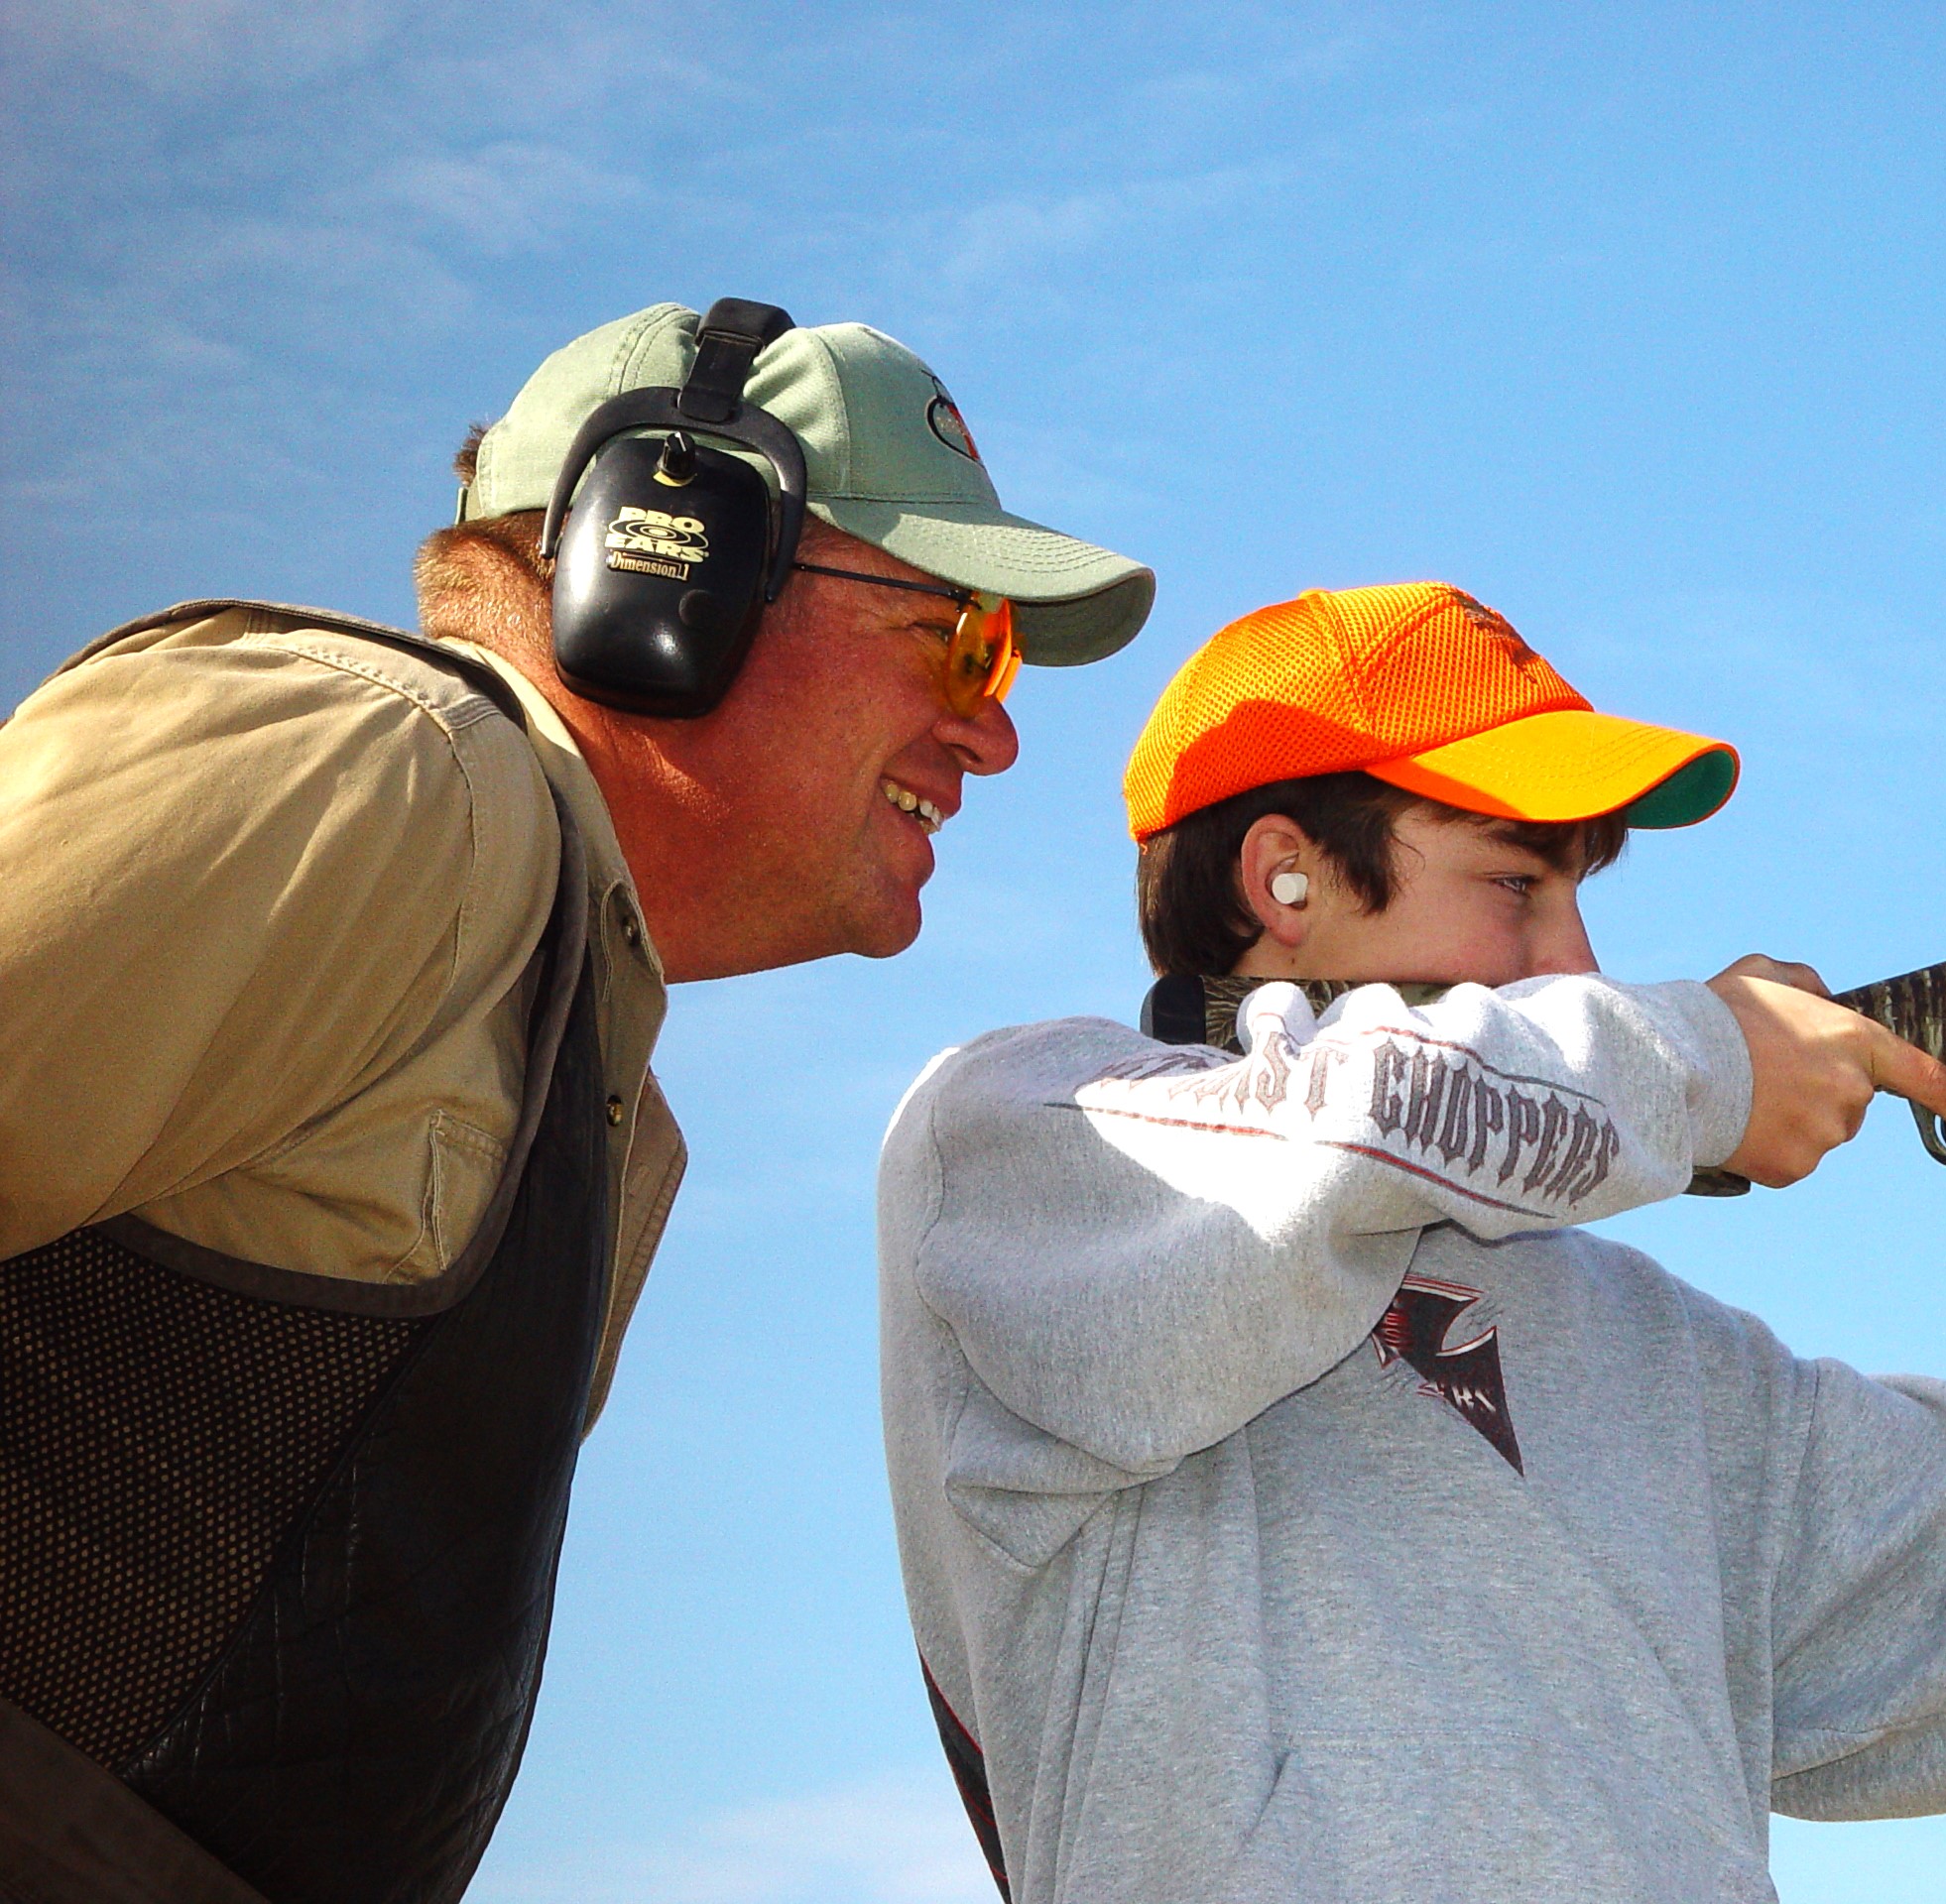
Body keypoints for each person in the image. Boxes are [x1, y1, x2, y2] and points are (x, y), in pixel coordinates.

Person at [879, 581, 1946, 1904]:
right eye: (1518, 887)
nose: (1578, 959)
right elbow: (1359, 1124)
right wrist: (1711, 1058)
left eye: (1586, 897)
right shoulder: (1037, 1149)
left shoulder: (1667, 1367)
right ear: (1286, 879)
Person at [0, 298, 1153, 1904]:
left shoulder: (587, 1051)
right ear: (670, 562)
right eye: (960, 634)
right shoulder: (386, 773)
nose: (996, 726)